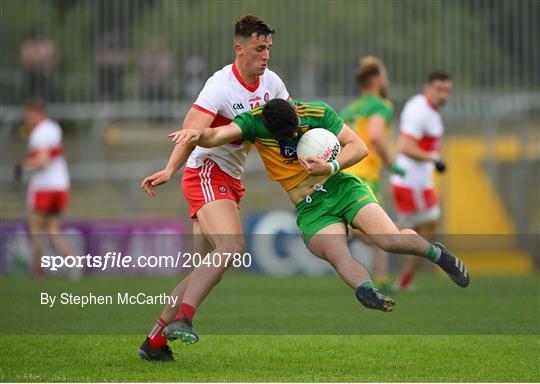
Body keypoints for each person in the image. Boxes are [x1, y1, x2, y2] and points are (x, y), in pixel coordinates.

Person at [171, 98, 469, 322]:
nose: (293, 138)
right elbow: (217, 136)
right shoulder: (254, 122)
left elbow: (359, 146)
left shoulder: (318, 112)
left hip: (343, 187)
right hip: (310, 208)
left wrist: (331, 165)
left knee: (389, 239)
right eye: (285, 138)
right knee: (338, 254)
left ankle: (437, 254)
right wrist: (196, 134)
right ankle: (367, 290)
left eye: (296, 132)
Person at [138, 15, 289, 362]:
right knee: (232, 246)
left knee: (205, 270)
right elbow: (192, 131)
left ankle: (155, 341)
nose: (265, 55)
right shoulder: (220, 85)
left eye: (268, 48)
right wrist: (170, 169)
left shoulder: (273, 84)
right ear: (239, 48)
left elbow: (287, 122)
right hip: (205, 173)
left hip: (230, 181)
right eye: (258, 48)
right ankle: (184, 319)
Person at [340, 56, 404, 293]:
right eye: (384, 74)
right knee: (381, 229)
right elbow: (376, 136)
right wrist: (391, 163)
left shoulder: (350, 108)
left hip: (344, 170)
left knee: (376, 226)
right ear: (376, 78)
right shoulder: (380, 105)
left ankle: (383, 278)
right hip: (364, 174)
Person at [390, 71, 452, 291]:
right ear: (428, 88)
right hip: (412, 184)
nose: (443, 95)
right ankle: (356, 230)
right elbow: (405, 146)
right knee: (402, 232)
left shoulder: (427, 110)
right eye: (439, 89)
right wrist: (434, 158)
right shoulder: (421, 110)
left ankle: (405, 280)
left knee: (419, 230)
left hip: (417, 182)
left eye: (447, 91)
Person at [15, 99, 72, 277]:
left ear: (36, 113)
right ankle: (73, 263)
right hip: (61, 185)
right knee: (53, 230)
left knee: (35, 230)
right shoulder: (54, 128)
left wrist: (22, 166)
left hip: (44, 187)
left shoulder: (39, 133)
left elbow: (42, 160)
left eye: (29, 115)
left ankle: (39, 271)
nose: (27, 120)